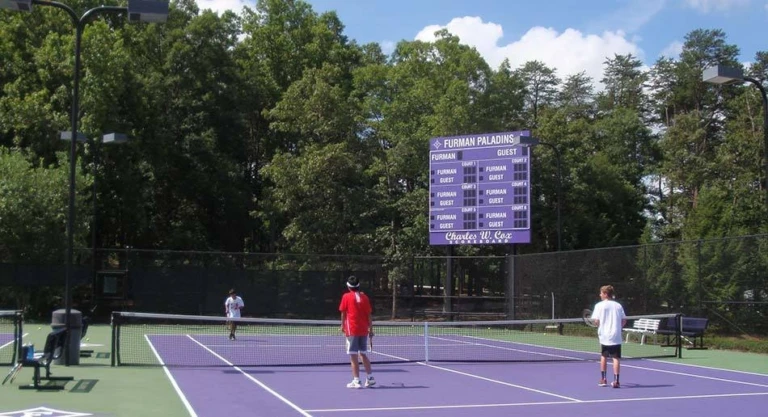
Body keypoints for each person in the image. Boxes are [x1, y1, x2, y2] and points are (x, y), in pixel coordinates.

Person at [339, 275, 375, 388]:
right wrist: (371, 329)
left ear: (348, 286)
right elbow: (369, 315)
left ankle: (356, 381)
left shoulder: (346, 296)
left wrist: (342, 325)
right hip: (363, 330)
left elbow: (343, 313)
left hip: (352, 330)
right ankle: (370, 378)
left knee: (353, 355)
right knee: (363, 354)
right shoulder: (365, 297)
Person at [590, 285, 626, 388]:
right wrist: (617, 328)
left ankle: (603, 379)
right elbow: (624, 321)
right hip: (616, 336)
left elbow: (596, 321)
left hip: (604, 336)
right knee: (616, 358)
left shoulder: (599, 306)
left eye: (601, 293)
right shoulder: (618, 306)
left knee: (603, 356)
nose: (600, 295)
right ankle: (616, 381)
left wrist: (597, 324)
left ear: (605, 294)